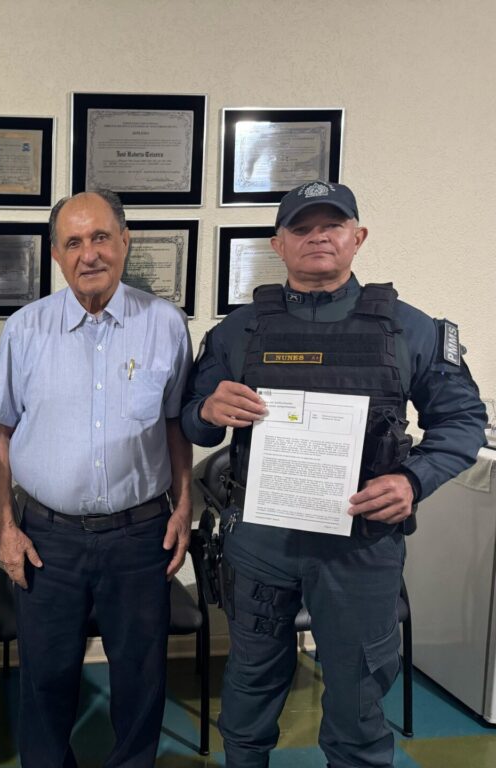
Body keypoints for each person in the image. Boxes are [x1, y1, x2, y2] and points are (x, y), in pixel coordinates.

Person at [182, 180, 487, 768]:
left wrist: (413, 481)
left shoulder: (411, 329)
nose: (317, 236)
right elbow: (194, 423)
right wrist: (208, 410)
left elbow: (462, 420)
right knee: (249, 686)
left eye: (332, 225)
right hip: (263, 541)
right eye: (301, 227)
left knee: (357, 699)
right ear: (278, 244)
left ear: (357, 237)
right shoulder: (237, 331)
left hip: (359, 546)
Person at [0, 189, 194, 767]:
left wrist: (183, 507)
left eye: (100, 237)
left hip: (140, 537)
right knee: (45, 682)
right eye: (73, 242)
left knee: (141, 681)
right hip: (47, 540)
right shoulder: (25, 330)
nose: (89, 253)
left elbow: (176, 424)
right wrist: (5, 529)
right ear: (56, 254)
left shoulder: (166, 326)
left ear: (125, 241)